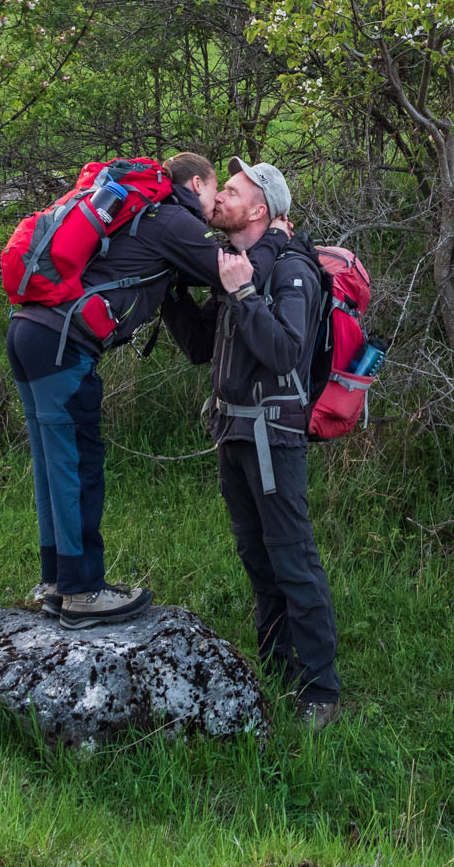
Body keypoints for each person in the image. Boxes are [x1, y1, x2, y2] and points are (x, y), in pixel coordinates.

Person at [6, 152, 279, 629]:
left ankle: (57, 580)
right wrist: (275, 240)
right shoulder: (174, 218)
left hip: (30, 331)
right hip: (61, 344)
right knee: (77, 465)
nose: (217, 204)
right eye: (218, 190)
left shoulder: (138, 213)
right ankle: (81, 591)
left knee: (54, 466)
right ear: (197, 184)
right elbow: (234, 269)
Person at [163, 158, 343, 725]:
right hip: (233, 431)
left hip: (273, 436)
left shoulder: (292, 272)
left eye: (232, 191)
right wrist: (171, 292)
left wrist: (243, 296)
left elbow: (287, 350)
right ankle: (276, 666)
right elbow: (199, 347)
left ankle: (321, 694)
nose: (220, 198)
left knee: (292, 559)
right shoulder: (238, 267)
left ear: (260, 209)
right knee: (256, 558)